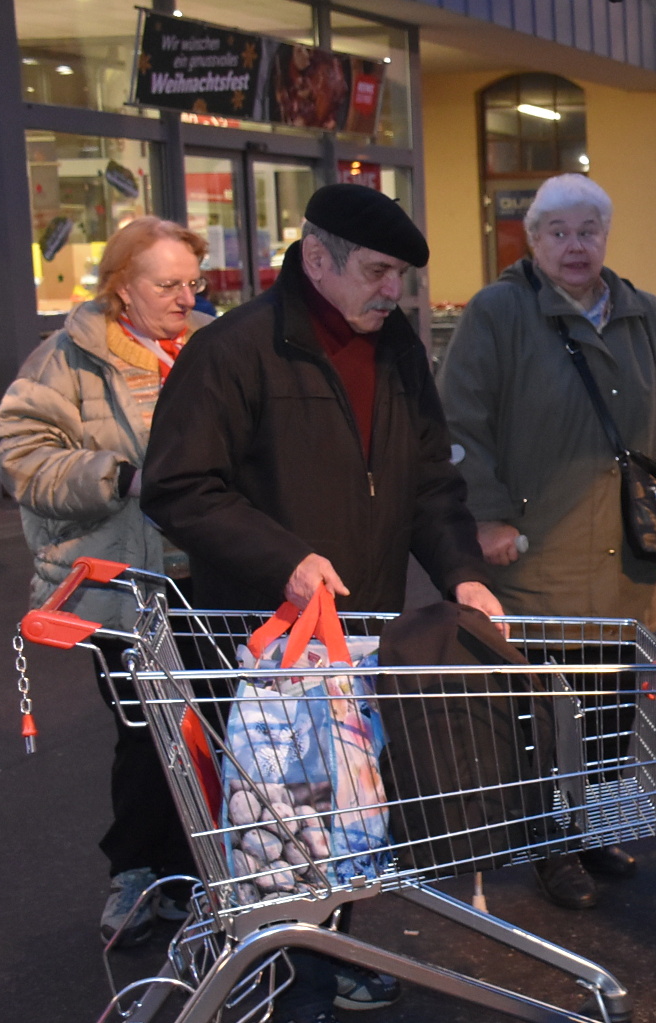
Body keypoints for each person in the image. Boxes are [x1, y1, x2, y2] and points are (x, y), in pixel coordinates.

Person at [143, 183, 501, 1023]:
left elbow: (430, 484)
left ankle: (326, 954)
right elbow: (179, 486)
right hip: (260, 635)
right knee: (279, 817)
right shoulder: (233, 351)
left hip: (359, 627)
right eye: (378, 272)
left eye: (403, 276)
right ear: (317, 259)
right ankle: (291, 975)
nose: (394, 292)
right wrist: (286, 562)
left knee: (344, 806)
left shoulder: (399, 350)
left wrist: (461, 574)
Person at [437, 173, 656, 911]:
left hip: (623, 551)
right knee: (543, 709)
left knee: (610, 703)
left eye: (588, 232)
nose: (575, 247)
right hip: (534, 550)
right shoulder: (498, 312)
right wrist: (485, 518)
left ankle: (595, 828)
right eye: (558, 232)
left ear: (605, 237)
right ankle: (550, 844)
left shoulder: (644, 315)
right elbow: (460, 426)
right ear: (532, 238)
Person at [0, 216, 213, 949]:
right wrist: (119, 475)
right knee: (149, 733)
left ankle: (195, 872)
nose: (186, 296)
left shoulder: (211, 343)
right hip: (124, 582)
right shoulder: (68, 358)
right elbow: (20, 454)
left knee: (213, 726)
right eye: (167, 283)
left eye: (193, 281)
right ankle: (137, 869)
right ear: (122, 286)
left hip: (214, 575)